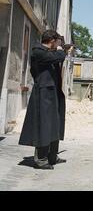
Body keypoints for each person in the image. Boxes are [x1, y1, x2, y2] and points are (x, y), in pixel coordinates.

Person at [19, 30, 71, 170]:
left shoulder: (50, 53)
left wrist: (62, 50)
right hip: (43, 93)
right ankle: (41, 159)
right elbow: (55, 57)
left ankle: (52, 156)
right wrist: (61, 50)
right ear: (52, 41)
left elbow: (56, 57)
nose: (58, 45)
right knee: (44, 126)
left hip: (53, 93)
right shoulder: (38, 51)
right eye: (57, 42)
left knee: (55, 125)